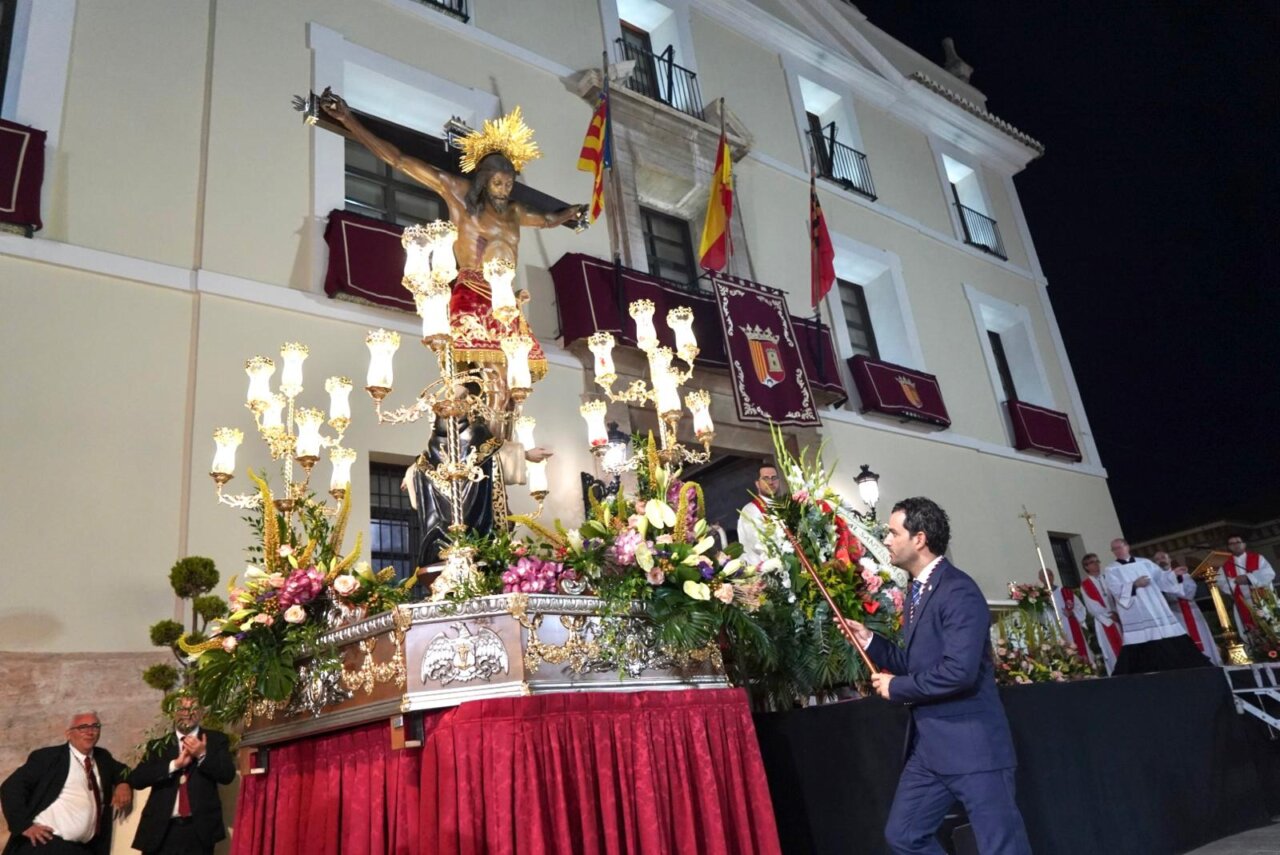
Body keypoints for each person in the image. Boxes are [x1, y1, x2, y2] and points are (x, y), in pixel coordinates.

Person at [320, 89, 586, 380]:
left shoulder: (514, 212)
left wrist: (568, 214)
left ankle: (493, 418)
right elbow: (398, 160)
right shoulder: (459, 195)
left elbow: (547, 220)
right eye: (498, 183)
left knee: (514, 381)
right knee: (487, 375)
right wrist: (348, 119)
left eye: (509, 185)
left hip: (505, 299)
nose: (504, 190)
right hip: (471, 291)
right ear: (484, 181)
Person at [844, 497, 1031, 855]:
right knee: (904, 835)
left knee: (1002, 846)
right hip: (929, 751)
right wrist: (869, 641)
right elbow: (917, 663)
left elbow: (959, 673)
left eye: (893, 532)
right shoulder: (916, 590)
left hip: (973, 747)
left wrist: (897, 687)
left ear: (919, 538)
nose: (885, 540)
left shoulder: (958, 589)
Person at [1, 710, 131, 855]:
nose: (89, 732)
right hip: (46, 845)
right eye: (82, 727)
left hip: (83, 849)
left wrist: (123, 784)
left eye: (95, 726)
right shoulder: (48, 757)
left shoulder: (103, 758)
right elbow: (11, 788)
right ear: (69, 733)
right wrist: (24, 826)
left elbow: (124, 772)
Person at [127, 696, 235, 855]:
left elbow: (227, 775)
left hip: (199, 831)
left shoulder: (216, 740)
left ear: (201, 713)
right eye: (182, 709)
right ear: (173, 713)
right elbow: (137, 779)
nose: (188, 713)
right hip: (161, 831)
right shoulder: (159, 746)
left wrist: (202, 754)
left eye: (193, 708)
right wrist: (174, 765)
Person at [1103, 538, 1207, 674]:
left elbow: (1161, 579)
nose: (1117, 551)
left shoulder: (1145, 563)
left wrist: (1174, 574)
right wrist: (1134, 584)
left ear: (1127, 546)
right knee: (1141, 639)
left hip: (1155, 605)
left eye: (1119, 547)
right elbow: (1115, 589)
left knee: (1165, 635)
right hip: (1136, 610)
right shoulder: (1111, 569)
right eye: (1114, 549)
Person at [1154, 551, 1221, 666]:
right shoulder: (1155, 581)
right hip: (1173, 616)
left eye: (1163, 557)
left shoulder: (1183, 575)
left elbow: (1189, 593)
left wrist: (1177, 582)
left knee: (1203, 639)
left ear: (1169, 559)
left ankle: (1210, 663)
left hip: (1191, 612)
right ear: (1154, 563)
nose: (1161, 560)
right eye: (1157, 559)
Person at [1216, 535, 1276, 640]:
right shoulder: (1225, 563)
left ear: (1244, 544)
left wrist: (1249, 578)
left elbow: (1269, 574)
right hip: (1242, 602)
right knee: (1250, 633)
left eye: (1238, 542)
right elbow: (1221, 582)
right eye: (1232, 543)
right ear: (1228, 547)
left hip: (1262, 600)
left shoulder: (1257, 558)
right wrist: (1234, 581)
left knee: (1271, 628)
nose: (1235, 545)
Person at [1078, 553, 1122, 675]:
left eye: (1097, 561)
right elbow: (1092, 606)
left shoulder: (1107, 578)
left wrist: (1119, 612)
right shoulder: (1086, 584)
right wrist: (1110, 615)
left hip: (1119, 618)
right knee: (1111, 649)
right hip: (1105, 621)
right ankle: (1117, 672)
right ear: (1086, 567)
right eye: (1093, 562)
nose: (1097, 564)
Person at [1042, 569, 1093, 666]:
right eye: (1045, 576)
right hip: (1053, 630)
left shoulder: (1064, 592)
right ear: (1041, 579)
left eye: (1050, 575)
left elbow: (1080, 607)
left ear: (1053, 576)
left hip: (1069, 626)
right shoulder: (1040, 597)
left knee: (1076, 650)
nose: (1048, 578)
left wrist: (1073, 613)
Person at [737, 462, 781, 565]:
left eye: (774, 478)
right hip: (764, 569)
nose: (771, 482)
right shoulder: (750, 510)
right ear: (757, 483)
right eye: (765, 478)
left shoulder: (782, 505)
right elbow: (757, 543)